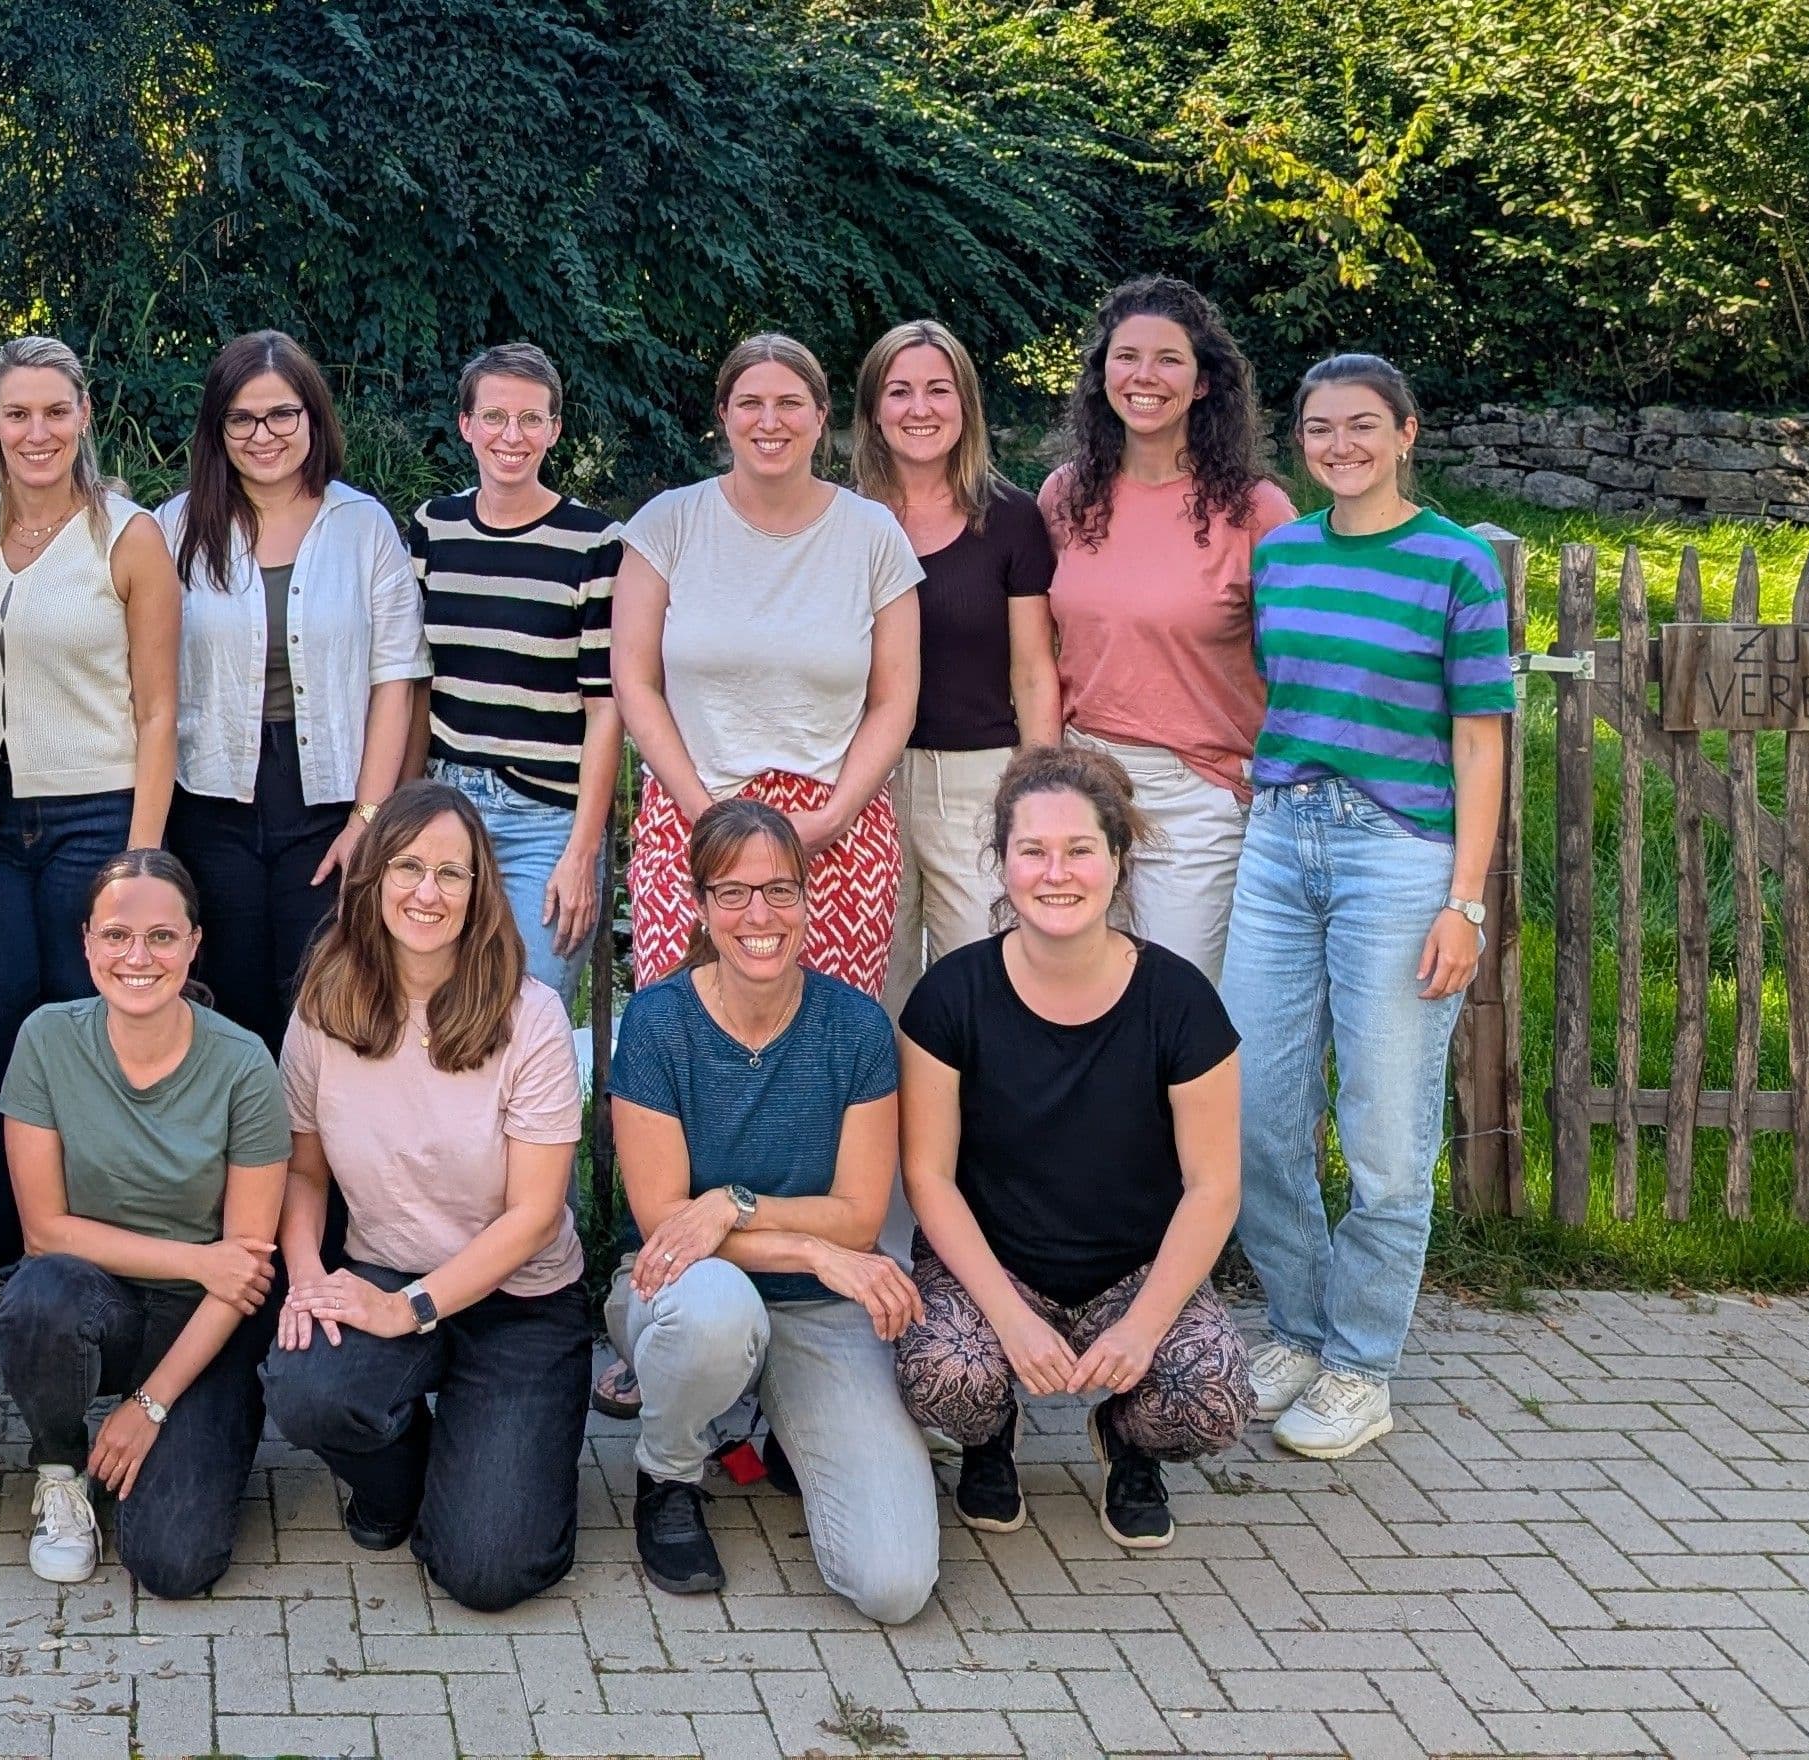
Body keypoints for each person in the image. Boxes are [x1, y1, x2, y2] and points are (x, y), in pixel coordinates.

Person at [1225, 353, 1517, 1461]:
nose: (1338, 445)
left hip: (1399, 856)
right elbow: (1287, 695)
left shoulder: (1456, 563)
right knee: (1257, 1109)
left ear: (1406, 432)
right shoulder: (1283, 555)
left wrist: (1467, 902)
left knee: (1387, 1137)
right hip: (1280, 841)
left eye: (1361, 426)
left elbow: (1480, 736)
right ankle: (1297, 1330)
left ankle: (1361, 1365)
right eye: (1317, 428)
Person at [894, 744, 1252, 1551]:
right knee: (943, 1377)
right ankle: (989, 1438)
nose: (1056, 872)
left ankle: (1128, 1440)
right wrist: (1009, 1318)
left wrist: (1140, 1327)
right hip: (993, 1264)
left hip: (1129, 1273)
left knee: (1214, 1392)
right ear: (1002, 863)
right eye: (1032, 850)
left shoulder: (1180, 1002)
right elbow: (928, 1177)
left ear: (1118, 861)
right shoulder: (949, 998)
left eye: (1080, 849)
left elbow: (1213, 1187)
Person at [605, 797, 938, 1622]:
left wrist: (730, 1204)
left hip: (820, 1314)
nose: (760, 915)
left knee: (893, 1586)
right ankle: (668, 1471)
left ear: (807, 899)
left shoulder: (855, 1027)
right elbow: (665, 1231)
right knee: (715, 1312)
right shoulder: (655, 1023)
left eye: (780, 891)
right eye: (734, 893)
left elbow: (860, 1217)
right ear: (699, 905)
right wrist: (815, 1249)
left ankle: (781, 1428)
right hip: (683, 1292)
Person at [261, 782, 588, 1612]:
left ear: (480, 893)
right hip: (381, 1268)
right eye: (407, 866)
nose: (427, 892)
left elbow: (534, 1214)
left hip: (519, 1300)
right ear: (371, 878)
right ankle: (399, 1479)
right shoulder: (321, 1006)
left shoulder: (532, 1017)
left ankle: (490, 1465)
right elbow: (303, 1173)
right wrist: (306, 1276)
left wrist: (409, 1310)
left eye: (452, 873)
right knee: (306, 1386)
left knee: (487, 1570)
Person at [0, 335, 184, 1300]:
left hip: (98, 814)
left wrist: (143, 857)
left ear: (84, 415)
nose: (35, 432)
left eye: (55, 411)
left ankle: (109, 1260)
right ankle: (9, 1258)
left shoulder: (127, 537)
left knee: (95, 1037)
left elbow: (161, 708)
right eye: (16, 413)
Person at [0, 851, 289, 1596]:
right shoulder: (47, 1039)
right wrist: (196, 1259)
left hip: (203, 1324)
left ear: (193, 945)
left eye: (161, 937)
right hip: (95, 1297)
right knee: (38, 1295)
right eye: (117, 935)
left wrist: (149, 1405)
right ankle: (59, 1468)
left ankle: (188, 1427)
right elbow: (43, 1232)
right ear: (86, 942)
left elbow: (243, 1272)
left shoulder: (244, 1064)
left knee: (173, 1564)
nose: (137, 957)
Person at [612, 334, 925, 999]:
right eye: (749, 402)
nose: (769, 421)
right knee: (686, 1035)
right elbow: (634, 681)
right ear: (722, 414)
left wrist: (835, 817)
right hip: (691, 814)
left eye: (789, 403)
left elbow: (895, 699)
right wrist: (703, 815)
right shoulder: (666, 526)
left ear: (819, 415)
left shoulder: (873, 537)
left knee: (826, 1047)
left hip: (833, 830)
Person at [160, 330, 427, 1049]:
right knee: (230, 1000)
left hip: (329, 804)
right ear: (218, 429)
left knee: (323, 1001)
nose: (263, 435)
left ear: (312, 417)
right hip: (211, 802)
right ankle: (240, 1161)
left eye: (282, 414)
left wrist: (367, 822)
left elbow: (394, 679)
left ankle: (323, 1164)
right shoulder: (175, 527)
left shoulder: (363, 525)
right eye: (241, 419)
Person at [1037, 277, 1298, 982]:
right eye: (1124, 357)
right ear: (1101, 375)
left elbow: (1298, 670)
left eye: (1168, 359)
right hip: (1084, 777)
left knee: (1176, 998)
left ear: (1204, 382)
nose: (1143, 376)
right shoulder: (1065, 495)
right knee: (1081, 995)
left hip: (1201, 790)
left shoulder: (1255, 510)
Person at [401, 343, 624, 999]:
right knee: (432, 1007)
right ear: (466, 425)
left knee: (530, 1011)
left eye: (530, 419)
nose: (511, 436)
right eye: (494, 417)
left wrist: (581, 853)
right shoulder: (432, 529)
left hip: (545, 821)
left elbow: (604, 707)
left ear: (554, 429)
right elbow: (412, 684)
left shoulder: (594, 544)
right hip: (443, 807)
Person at [851, 320, 1061, 1009]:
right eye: (899, 391)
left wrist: (1042, 796)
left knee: (981, 984)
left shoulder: (1010, 519)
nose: (919, 409)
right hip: (859, 784)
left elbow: (1033, 672)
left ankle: (971, 1121)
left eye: (938, 390)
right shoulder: (837, 521)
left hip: (977, 782)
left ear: (965, 404)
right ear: (872, 410)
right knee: (868, 984)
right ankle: (876, 1121)